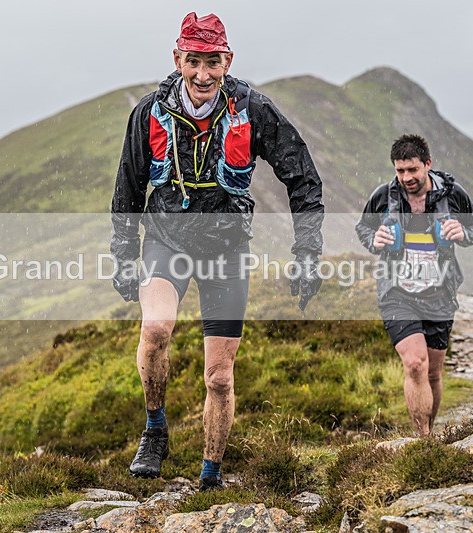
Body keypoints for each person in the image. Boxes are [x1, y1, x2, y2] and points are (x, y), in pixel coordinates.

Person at [110, 12, 324, 491]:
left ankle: (210, 476)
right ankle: (155, 429)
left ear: (228, 60)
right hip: (166, 238)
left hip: (227, 248)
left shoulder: (253, 109)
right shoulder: (150, 112)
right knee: (156, 329)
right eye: (193, 61)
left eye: (212, 62)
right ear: (177, 59)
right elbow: (128, 188)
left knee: (219, 377)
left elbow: (303, 178)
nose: (202, 74)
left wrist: (307, 252)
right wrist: (123, 255)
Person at [355, 134, 473, 436]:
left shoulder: (452, 194)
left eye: (412, 169)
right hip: (396, 293)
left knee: (433, 373)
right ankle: (423, 440)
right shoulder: (384, 196)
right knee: (415, 364)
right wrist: (374, 240)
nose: (406, 177)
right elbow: (364, 228)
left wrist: (463, 233)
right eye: (400, 171)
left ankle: (430, 433)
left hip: (439, 294)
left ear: (428, 164)